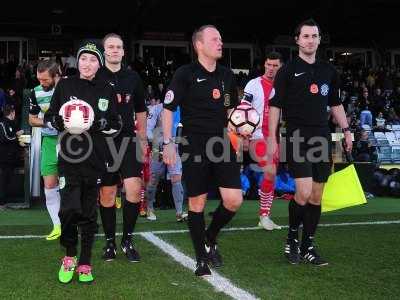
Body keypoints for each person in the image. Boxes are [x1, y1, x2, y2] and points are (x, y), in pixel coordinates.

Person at [268, 19, 352, 266]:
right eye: (306, 36)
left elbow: (335, 104)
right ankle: (292, 237)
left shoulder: (329, 71)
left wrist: (346, 130)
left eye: (314, 36)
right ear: (297, 40)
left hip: (322, 137)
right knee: (302, 192)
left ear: (319, 39)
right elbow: (275, 106)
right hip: (296, 136)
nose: (310, 40)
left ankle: (308, 245)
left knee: (316, 197)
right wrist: (272, 138)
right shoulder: (287, 71)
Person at [162, 25, 242, 276]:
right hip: (193, 142)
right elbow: (168, 109)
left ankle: (210, 235)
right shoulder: (185, 74)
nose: (220, 43)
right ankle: (200, 259)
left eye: (221, 38)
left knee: (234, 200)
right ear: (199, 45)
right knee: (197, 201)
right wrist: (168, 144)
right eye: (214, 39)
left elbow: (230, 112)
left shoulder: (227, 75)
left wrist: (240, 131)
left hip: (221, 142)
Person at [45, 41, 121, 283]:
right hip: (69, 158)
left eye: (92, 59)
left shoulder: (107, 89)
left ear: (99, 63)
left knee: (88, 214)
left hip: (95, 159)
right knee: (68, 209)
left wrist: (103, 124)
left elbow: (118, 124)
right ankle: (69, 254)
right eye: (83, 59)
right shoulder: (65, 85)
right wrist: (55, 121)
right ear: (77, 61)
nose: (87, 64)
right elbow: (48, 116)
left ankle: (85, 261)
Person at [96, 33, 147, 263]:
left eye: (119, 47)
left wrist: (143, 138)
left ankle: (127, 239)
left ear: (124, 51)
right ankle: (109, 242)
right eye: (110, 47)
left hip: (128, 140)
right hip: (102, 142)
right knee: (107, 193)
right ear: (104, 51)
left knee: (134, 189)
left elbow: (141, 110)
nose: (115, 50)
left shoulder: (133, 77)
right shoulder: (95, 75)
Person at [243, 51, 283, 230]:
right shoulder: (253, 84)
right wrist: (244, 135)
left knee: (271, 175)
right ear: (264, 65)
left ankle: (265, 215)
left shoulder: (283, 86)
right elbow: (243, 108)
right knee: (270, 170)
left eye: (275, 65)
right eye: (269, 65)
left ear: (280, 66)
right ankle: (264, 215)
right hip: (257, 135)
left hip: (275, 137)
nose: (271, 69)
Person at [28, 59, 62, 240]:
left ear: (56, 75)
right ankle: (57, 225)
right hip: (49, 140)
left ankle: (74, 223)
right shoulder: (36, 92)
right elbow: (32, 119)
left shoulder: (70, 87)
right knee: (49, 183)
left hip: (71, 141)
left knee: (71, 184)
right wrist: (47, 122)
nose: (42, 83)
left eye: (45, 80)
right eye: (39, 79)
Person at [146, 102, 186, 222]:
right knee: (154, 179)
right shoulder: (156, 109)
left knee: (176, 178)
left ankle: (179, 212)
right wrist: (156, 144)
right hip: (158, 147)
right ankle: (150, 207)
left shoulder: (182, 108)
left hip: (174, 148)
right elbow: (148, 128)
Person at [0, 104, 23, 210]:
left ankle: (5, 201)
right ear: (12, 112)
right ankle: (2, 203)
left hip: (11, 157)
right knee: (4, 179)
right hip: (4, 157)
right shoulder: (2, 123)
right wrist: (17, 135)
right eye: (14, 112)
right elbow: (6, 138)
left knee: (8, 179)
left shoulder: (12, 123)